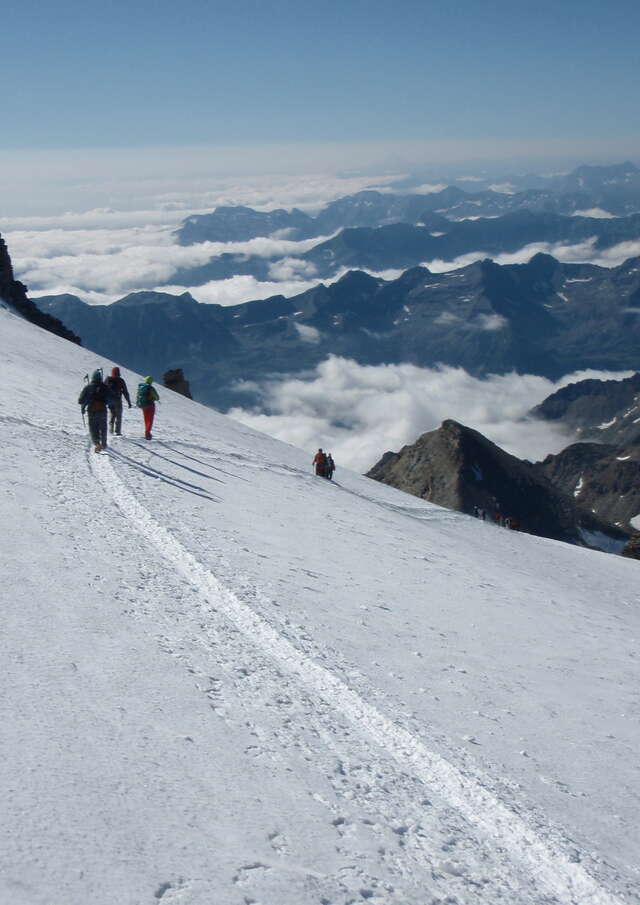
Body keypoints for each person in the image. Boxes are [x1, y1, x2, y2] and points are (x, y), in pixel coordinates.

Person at [78, 369, 115, 453]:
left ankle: (97, 443)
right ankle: (104, 443)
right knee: (103, 427)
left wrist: (84, 406)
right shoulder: (105, 387)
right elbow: (112, 399)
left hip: (92, 410)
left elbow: (81, 400)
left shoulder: (88, 387)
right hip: (102, 410)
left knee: (93, 428)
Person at [105, 366, 131, 436]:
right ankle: (118, 431)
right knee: (118, 416)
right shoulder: (121, 380)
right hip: (118, 400)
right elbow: (125, 392)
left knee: (112, 415)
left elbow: (103, 389)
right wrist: (129, 402)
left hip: (110, 401)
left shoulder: (108, 379)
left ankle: (111, 430)